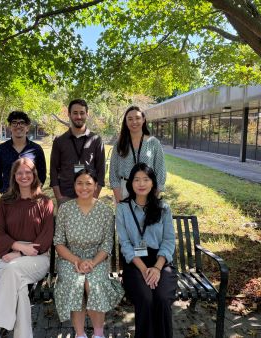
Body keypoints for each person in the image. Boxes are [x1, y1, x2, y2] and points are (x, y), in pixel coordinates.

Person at [0, 158, 54, 338]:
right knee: (19, 289)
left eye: (28, 172)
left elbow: (45, 238)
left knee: (12, 271)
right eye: (20, 172)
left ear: (34, 174)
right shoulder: (5, 201)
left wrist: (20, 253)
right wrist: (16, 246)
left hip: (37, 258)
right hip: (9, 254)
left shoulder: (45, 202)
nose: (24, 176)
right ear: (14, 176)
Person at [53, 169, 124, 338]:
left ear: (96, 186)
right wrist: (76, 260)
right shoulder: (65, 209)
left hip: (97, 260)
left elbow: (107, 244)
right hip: (70, 259)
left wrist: (92, 262)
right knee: (75, 282)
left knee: (94, 283)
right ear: (74, 185)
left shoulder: (105, 211)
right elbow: (59, 242)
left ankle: (98, 334)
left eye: (88, 183)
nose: (84, 187)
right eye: (79, 183)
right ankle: (80, 334)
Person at [116, 163, 177, 338]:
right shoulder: (122, 208)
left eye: (146, 179)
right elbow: (125, 244)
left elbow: (168, 241)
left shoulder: (163, 208)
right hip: (135, 263)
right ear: (131, 183)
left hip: (160, 262)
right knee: (146, 298)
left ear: (153, 183)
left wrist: (157, 268)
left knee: (162, 298)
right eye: (137, 179)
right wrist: (144, 269)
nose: (141, 184)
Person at [50, 99, 105, 205]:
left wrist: (95, 195)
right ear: (69, 114)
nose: (78, 116)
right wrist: (59, 197)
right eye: (75, 113)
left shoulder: (96, 140)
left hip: (89, 195)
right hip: (65, 196)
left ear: (87, 114)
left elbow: (101, 171)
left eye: (82, 113)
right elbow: (53, 171)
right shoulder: (59, 141)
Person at [109, 105, 166, 202]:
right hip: (124, 190)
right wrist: (119, 201)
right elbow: (113, 174)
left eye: (138, 118)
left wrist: (153, 198)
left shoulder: (154, 143)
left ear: (143, 119)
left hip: (147, 189)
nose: (134, 122)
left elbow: (160, 171)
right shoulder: (119, 144)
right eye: (130, 119)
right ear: (126, 122)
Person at [0, 110, 46, 194]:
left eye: (22, 123)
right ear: (9, 127)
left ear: (27, 127)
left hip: (31, 195)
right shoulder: (0, 149)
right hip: (9, 196)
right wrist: (3, 190)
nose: (18, 126)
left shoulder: (36, 149)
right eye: (14, 123)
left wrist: (36, 190)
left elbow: (42, 173)